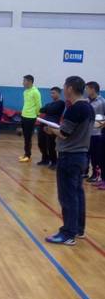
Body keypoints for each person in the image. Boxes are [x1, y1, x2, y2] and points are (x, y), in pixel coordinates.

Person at [44, 76, 93, 246]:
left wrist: (51, 130)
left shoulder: (75, 108)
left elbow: (64, 133)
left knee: (67, 196)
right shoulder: (88, 107)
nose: (63, 89)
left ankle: (68, 233)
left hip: (69, 156)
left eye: (65, 86)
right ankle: (78, 229)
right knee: (77, 194)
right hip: (81, 156)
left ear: (70, 88)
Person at [37, 87, 65, 169]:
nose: (51, 95)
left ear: (59, 94)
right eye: (51, 93)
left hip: (52, 125)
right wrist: (47, 109)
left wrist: (47, 109)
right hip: (43, 123)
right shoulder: (50, 104)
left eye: (53, 93)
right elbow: (41, 110)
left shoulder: (61, 103)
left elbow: (51, 110)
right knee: (41, 143)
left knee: (51, 144)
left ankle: (54, 161)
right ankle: (45, 159)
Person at [19, 75, 42, 162]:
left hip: (31, 117)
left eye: (24, 81)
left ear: (29, 81)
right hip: (24, 116)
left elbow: (39, 105)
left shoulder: (35, 92)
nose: (23, 83)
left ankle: (28, 155)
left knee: (28, 137)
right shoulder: (25, 92)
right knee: (25, 137)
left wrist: (36, 114)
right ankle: (26, 153)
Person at [85, 82, 105, 180]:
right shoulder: (86, 101)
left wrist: (100, 126)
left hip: (97, 133)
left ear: (93, 89)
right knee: (86, 154)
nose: (86, 91)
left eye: (87, 89)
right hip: (86, 132)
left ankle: (95, 175)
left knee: (95, 155)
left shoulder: (102, 101)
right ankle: (85, 172)